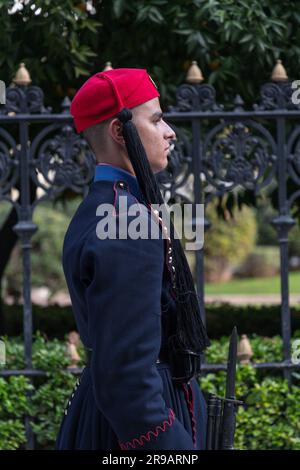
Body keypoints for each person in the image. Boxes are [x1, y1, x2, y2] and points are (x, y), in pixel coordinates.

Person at [55, 68, 210, 450]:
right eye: (156, 119)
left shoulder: (109, 208)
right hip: (139, 430)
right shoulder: (126, 222)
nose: (170, 131)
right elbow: (127, 381)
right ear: (120, 132)